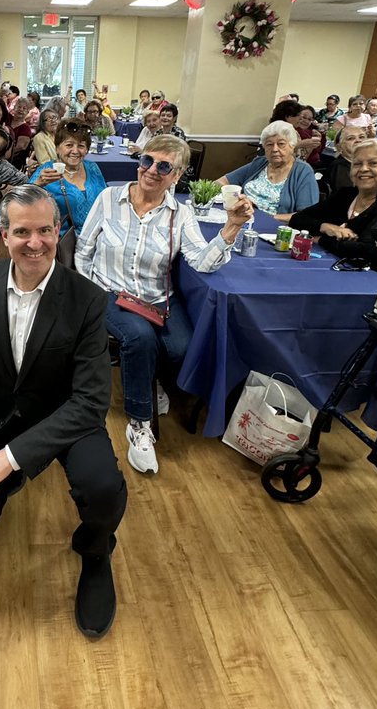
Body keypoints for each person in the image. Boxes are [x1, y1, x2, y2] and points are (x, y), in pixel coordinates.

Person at [0, 185, 126, 639]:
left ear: (58, 230)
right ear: (4, 235)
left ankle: (96, 548)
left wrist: (6, 459)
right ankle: (15, 472)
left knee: (103, 488)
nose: (36, 243)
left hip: (66, 415)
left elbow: (90, 402)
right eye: (22, 232)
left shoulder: (86, 299)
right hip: (3, 413)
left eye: (45, 230)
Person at [77, 135, 253, 476]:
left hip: (156, 297)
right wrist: (89, 294)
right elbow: (84, 250)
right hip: (109, 291)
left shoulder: (181, 213)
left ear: (178, 174)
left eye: (164, 166)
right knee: (139, 337)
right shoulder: (109, 198)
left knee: (183, 347)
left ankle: (146, 375)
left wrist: (232, 227)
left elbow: (201, 261)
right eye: (146, 161)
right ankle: (140, 424)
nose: (151, 171)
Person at [288, 140, 377, 273]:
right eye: (357, 164)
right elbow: (297, 219)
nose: (363, 169)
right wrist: (325, 227)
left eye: (374, 163)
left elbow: (374, 253)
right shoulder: (346, 195)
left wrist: (322, 239)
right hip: (339, 270)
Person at [217, 121, 318, 219]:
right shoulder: (260, 163)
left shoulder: (303, 171)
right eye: (269, 144)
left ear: (292, 146)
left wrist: (268, 218)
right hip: (242, 220)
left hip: (273, 229)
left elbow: (307, 215)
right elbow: (221, 182)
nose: (274, 149)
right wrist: (234, 199)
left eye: (281, 144)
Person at [30, 120, 106, 236]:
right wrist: (37, 185)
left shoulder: (92, 168)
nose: (75, 151)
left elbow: (105, 199)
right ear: (57, 148)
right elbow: (23, 204)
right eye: (69, 145)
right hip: (65, 242)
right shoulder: (45, 172)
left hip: (98, 238)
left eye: (81, 146)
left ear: (86, 150)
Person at [8, 96, 34, 168]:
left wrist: (3, 154)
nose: (21, 110)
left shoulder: (25, 128)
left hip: (13, 161)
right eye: (19, 107)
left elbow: (20, 147)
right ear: (14, 107)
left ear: (28, 112)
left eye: (24, 108)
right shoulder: (7, 118)